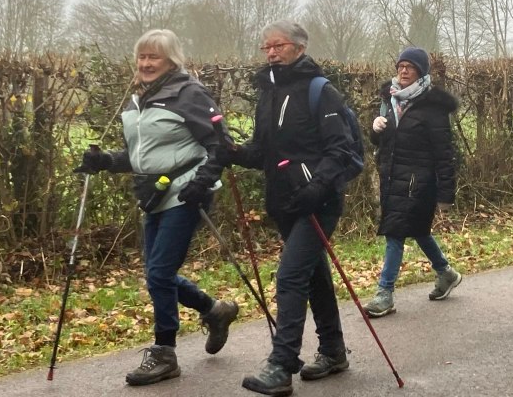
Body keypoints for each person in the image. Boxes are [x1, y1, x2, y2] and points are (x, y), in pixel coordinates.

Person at [73, 29, 238, 386]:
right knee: (156, 273)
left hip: (187, 193)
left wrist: (202, 181)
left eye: (154, 57)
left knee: (159, 273)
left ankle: (164, 352)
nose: (146, 63)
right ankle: (214, 310)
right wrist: (105, 161)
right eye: (142, 56)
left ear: (171, 60)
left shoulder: (189, 94)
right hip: (154, 193)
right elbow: (140, 157)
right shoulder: (138, 99)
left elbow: (220, 145)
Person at [216, 20, 355, 396]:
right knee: (314, 276)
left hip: (319, 201)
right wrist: (233, 152)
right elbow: (263, 152)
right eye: (266, 47)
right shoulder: (269, 92)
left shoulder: (320, 90)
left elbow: (340, 150)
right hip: (284, 202)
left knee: (291, 276)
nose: (271, 53)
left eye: (278, 46)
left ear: (299, 47)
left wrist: (318, 186)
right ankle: (333, 351)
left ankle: (281, 365)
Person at [362, 47, 462, 318]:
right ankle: (446, 273)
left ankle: (384, 293)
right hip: (392, 178)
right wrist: (376, 130)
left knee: (395, 232)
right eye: (400, 66)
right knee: (418, 230)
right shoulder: (391, 99)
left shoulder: (432, 108)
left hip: (419, 184)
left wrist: (446, 194)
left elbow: (444, 154)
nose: (403, 71)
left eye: (410, 67)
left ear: (421, 72)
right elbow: (383, 143)